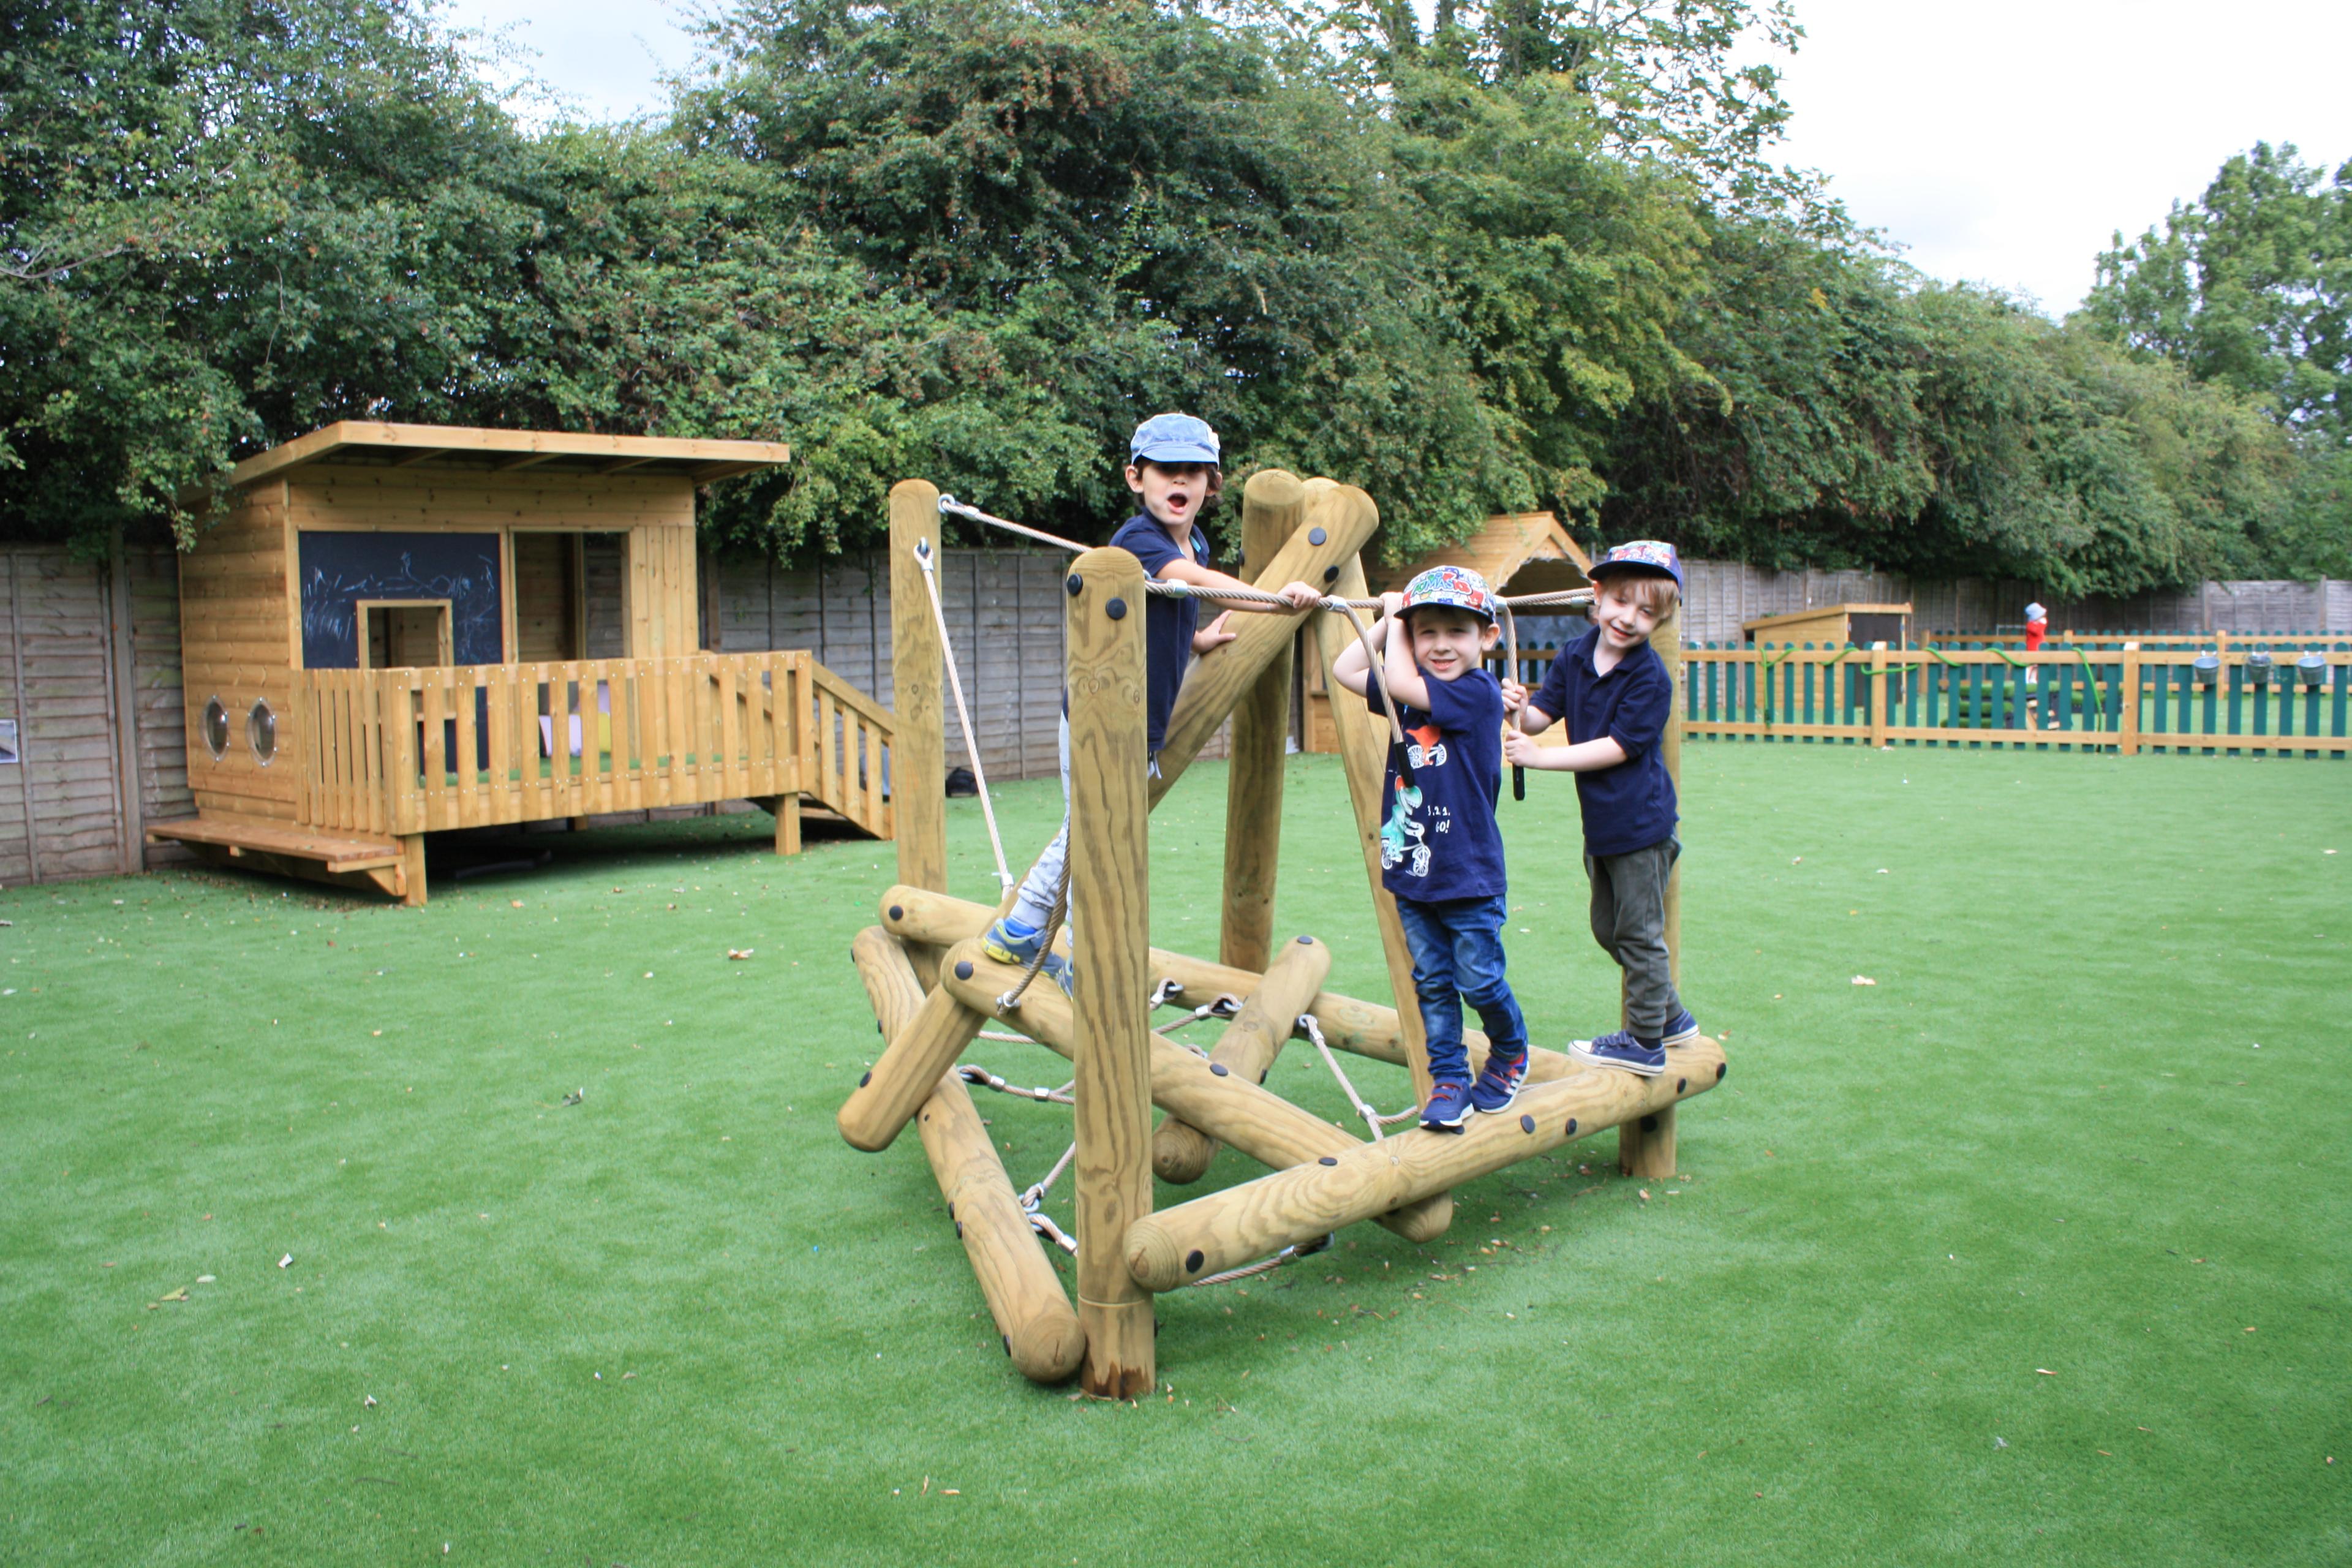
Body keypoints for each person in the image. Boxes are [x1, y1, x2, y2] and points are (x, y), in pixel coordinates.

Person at [980, 413, 1321, 984]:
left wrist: (1196, 639)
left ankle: (1025, 931)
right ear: (1137, 479)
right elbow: (1191, 581)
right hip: (1100, 717)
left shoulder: (1197, 541)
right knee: (1095, 837)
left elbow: (1169, 605)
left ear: (1211, 485)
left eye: (1193, 471)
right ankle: (1059, 949)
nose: (1179, 480)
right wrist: (1273, 599)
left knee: (1092, 833)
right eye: (1166, 470)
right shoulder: (1138, 540)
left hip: (1143, 720)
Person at [1331, 565, 1531, 1131]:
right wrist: (1386, 620)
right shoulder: (1409, 697)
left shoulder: (1478, 693)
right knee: (1435, 982)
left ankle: (1510, 1050)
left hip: (1469, 873)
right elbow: (1346, 669)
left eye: (1457, 632)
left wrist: (1400, 619)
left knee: (1479, 980)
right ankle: (1449, 1079)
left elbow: (1397, 680)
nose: (1441, 645)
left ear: (1487, 637)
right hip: (1413, 869)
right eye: (1427, 633)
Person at [1501, 541, 1698, 1076]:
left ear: (1661, 619)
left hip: (1642, 827)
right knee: (1609, 929)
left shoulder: (1650, 678)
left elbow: (1617, 748)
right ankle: (1672, 1016)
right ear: (1599, 595)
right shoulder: (1576, 655)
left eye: (1646, 612)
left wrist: (1540, 759)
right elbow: (1541, 716)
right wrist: (1518, 708)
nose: (1629, 618)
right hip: (1604, 826)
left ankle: (1646, 1042)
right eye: (1622, 601)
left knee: (1638, 936)